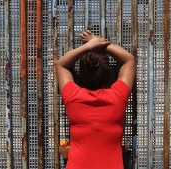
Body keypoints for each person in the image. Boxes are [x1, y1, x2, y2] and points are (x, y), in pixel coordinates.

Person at [56, 30, 136, 169]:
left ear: (81, 75)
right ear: (108, 74)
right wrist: (101, 43)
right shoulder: (117, 97)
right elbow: (129, 59)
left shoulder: (73, 97)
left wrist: (87, 46)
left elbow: (61, 64)